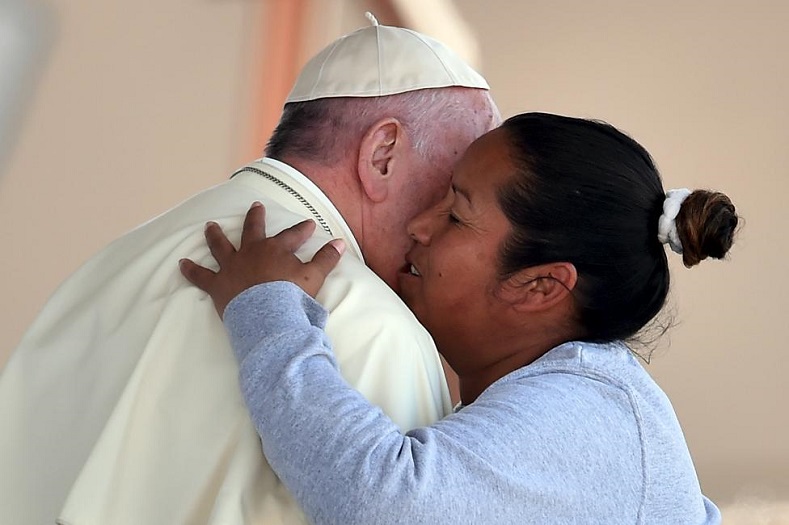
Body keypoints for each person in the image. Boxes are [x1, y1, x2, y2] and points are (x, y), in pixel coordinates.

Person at [0, 16, 499, 525]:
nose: (440, 226)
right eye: (453, 189)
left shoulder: (122, 255)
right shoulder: (366, 321)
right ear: (382, 155)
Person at [180, 112, 738, 524]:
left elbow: (384, 503)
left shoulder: (595, 414)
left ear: (541, 286)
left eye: (455, 213)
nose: (420, 226)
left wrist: (267, 311)